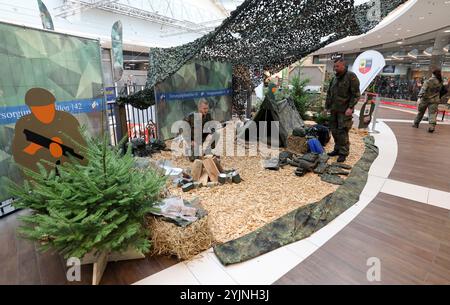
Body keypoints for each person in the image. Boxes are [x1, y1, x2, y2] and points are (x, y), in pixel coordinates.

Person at [12, 88, 87, 174]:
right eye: (40, 111)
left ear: (53, 105)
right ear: (31, 109)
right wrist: (33, 148)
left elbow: (83, 149)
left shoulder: (67, 119)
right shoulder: (24, 124)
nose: (46, 113)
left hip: (71, 174)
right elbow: (18, 157)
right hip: (40, 178)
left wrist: (62, 146)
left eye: (49, 109)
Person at [325, 58, 361, 163]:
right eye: (334, 66)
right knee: (334, 130)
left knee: (342, 131)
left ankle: (343, 153)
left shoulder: (351, 76)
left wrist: (350, 107)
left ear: (343, 66)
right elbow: (329, 94)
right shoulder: (334, 78)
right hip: (334, 110)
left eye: (337, 66)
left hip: (344, 111)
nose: (335, 68)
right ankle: (337, 149)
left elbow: (356, 94)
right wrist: (327, 107)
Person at [413, 68, 445, 133]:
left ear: (433, 74)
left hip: (425, 99)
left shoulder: (428, 81)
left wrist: (419, 98)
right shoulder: (440, 81)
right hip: (435, 100)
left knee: (421, 112)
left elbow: (423, 89)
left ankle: (416, 124)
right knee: (432, 113)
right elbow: (442, 90)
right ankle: (432, 127)